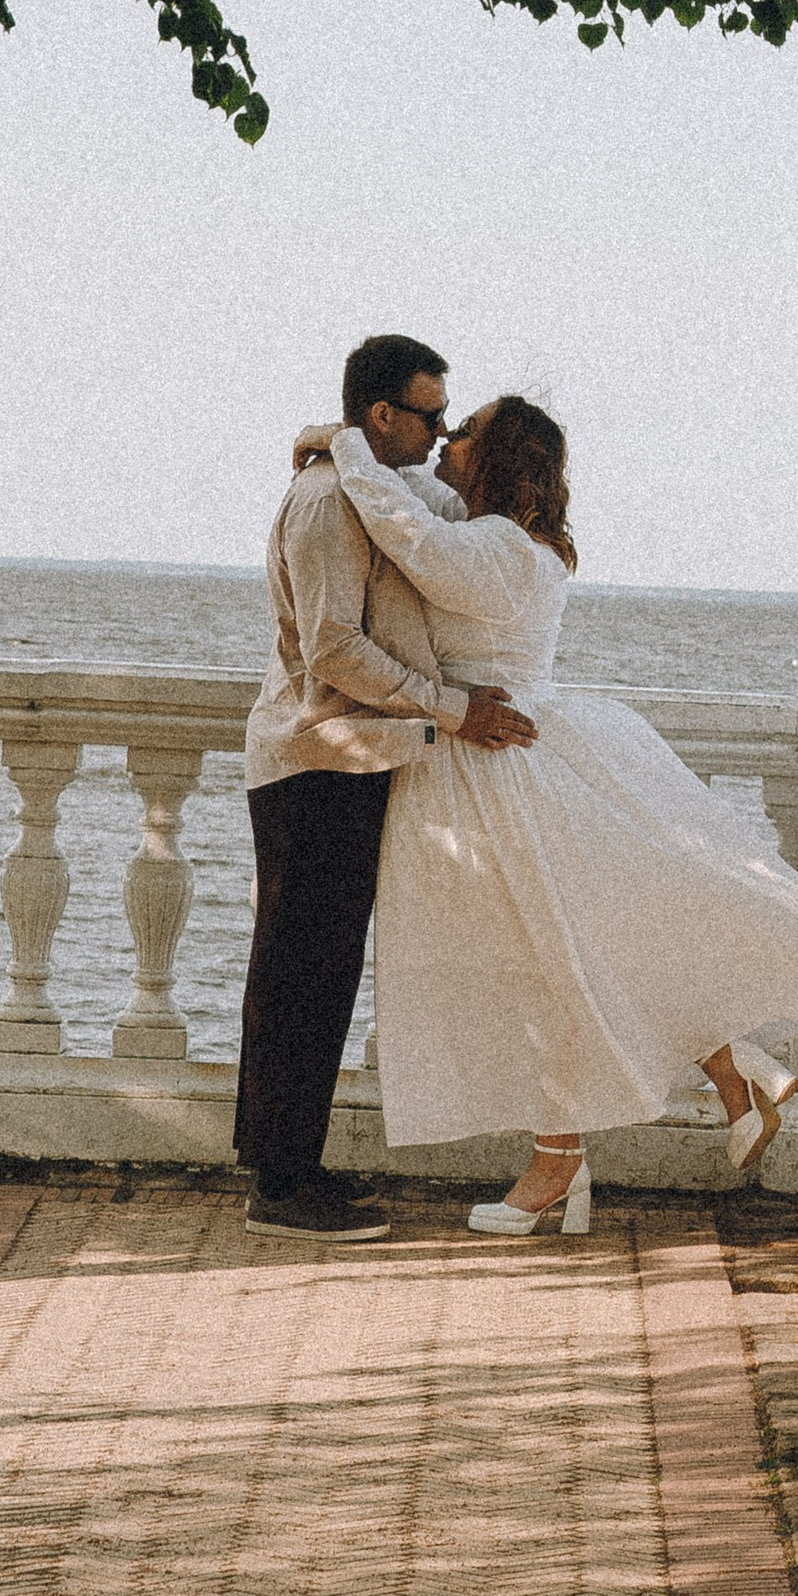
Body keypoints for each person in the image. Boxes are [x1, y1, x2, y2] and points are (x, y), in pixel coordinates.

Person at [318, 398, 798, 1235]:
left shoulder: (494, 546)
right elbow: (420, 510)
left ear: (496, 458)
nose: (446, 437)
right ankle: (713, 1079)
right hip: (506, 758)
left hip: (494, 768)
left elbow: (407, 533)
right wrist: (354, 453)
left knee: (542, 968)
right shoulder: (516, 541)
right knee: (560, 958)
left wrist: (342, 445)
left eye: (464, 431)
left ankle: (571, 1155)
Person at [236, 333, 539, 1241]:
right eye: (431, 414)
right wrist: (452, 710)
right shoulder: (329, 500)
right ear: (381, 414)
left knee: (317, 977)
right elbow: (333, 648)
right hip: (315, 758)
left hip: (353, 756)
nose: (443, 431)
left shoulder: (372, 486)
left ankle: (290, 1170)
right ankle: (281, 1187)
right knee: (299, 976)